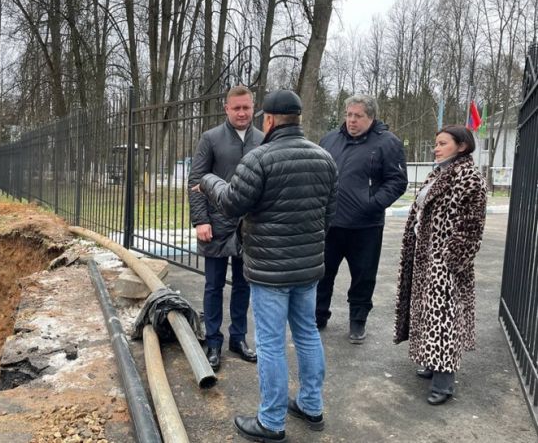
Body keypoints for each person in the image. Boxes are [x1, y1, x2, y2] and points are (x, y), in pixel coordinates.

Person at [193, 90, 337, 442]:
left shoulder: (262, 157)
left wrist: (210, 181)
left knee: (271, 343)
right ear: (299, 118)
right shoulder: (325, 158)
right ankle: (311, 405)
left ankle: (271, 422)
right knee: (306, 334)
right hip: (307, 269)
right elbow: (328, 216)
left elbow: (231, 203)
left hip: (270, 270)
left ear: (268, 119)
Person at [394, 125, 487, 405]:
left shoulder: (468, 177)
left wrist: (452, 262)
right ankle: (433, 363)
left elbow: (472, 226)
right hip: (427, 259)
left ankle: (444, 382)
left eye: (442, 143)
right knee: (428, 314)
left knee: (445, 319)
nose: (436, 148)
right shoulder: (440, 172)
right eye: (436, 143)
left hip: (445, 263)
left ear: (461, 146)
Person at [316, 94, 407, 343]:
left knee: (363, 277)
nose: (352, 120)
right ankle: (318, 315)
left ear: (371, 117)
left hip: (366, 225)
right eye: (349, 114)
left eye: (358, 116)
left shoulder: (387, 143)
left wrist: (373, 203)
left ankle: (358, 321)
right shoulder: (330, 139)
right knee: (322, 273)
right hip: (330, 223)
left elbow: (397, 181)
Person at [187, 85, 263, 371]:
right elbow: (196, 180)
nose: (242, 113)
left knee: (244, 285)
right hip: (216, 225)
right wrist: (201, 220)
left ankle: (238, 338)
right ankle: (213, 341)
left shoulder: (262, 139)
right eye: (236, 108)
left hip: (250, 227)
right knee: (213, 285)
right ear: (226, 109)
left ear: (253, 107)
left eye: (246, 107)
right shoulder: (211, 139)